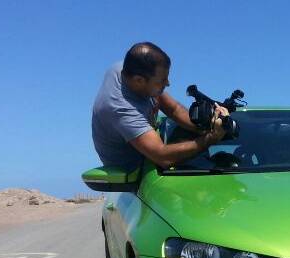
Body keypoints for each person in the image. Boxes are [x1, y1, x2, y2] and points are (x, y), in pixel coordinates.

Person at [91, 42, 229, 171]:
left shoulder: (129, 68)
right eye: (162, 80)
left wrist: (206, 126)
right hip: (134, 174)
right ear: (139, 80)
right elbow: (163, 157)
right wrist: (211, 138)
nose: (168, 83)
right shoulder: (121, 109)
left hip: (154, 149)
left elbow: (173, 109)